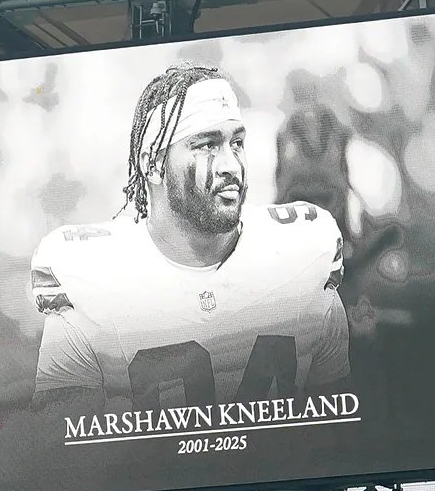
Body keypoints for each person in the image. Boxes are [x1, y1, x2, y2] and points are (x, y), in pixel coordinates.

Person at [29, 63, 350, 422]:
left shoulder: (304, 249)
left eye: (237, 143)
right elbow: (62, 454)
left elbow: (338, 435)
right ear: (152, 164)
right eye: (207, 145)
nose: (231, 165)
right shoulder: (86, 273)